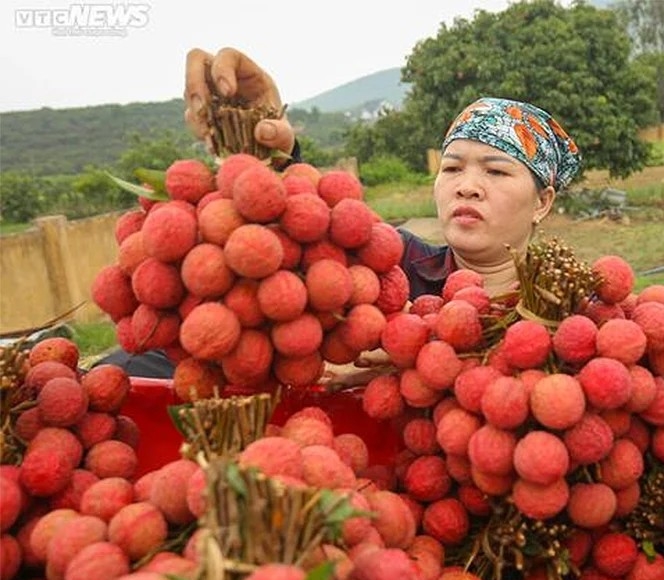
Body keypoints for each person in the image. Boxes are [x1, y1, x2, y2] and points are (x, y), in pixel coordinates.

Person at [99, 47, 581, 379]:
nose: (467, 187)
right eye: (452, 167)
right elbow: (317, 234)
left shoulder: (570, 312)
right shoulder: (393, 265)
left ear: (543, 201)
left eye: (496, 172)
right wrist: (269, 153)